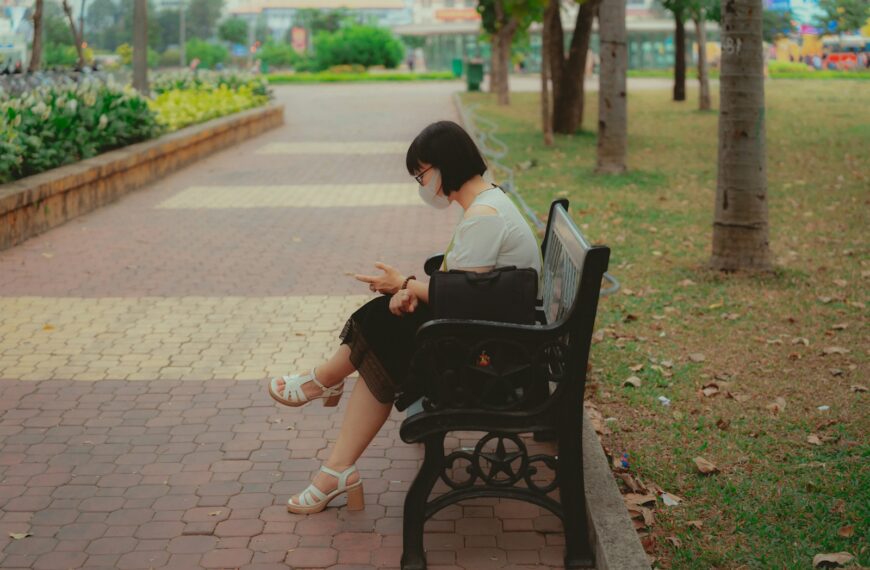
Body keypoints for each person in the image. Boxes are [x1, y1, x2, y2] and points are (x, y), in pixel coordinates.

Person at [266, 121, 542, 514]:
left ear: (445, 165)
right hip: (497, 338)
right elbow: (469, 293)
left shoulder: (485, 216)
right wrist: (407, 291)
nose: (421, 183)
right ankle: (334, 452)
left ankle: (325, 395)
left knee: (385, 337)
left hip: (494, 360)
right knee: (385, 329)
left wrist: (407, 286)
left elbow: (466, 299)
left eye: (422, 173)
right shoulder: (488, 203)